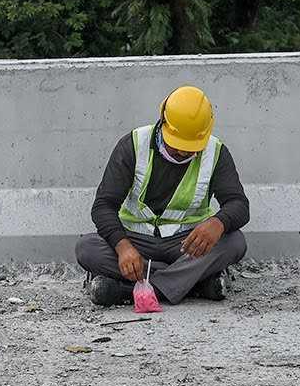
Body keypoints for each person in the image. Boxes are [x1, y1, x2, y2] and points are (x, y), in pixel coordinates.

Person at [75, 86, 250, 306]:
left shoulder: (216, 152)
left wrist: (218, 223)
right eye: (178, 146)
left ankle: (130, 291)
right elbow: (103, 206)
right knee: (87, 248)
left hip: (187, 244)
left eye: (192, 147)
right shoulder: (133, 145)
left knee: (234, 242)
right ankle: (191, 282)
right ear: (163, 122)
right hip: (137, 242)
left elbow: (239, 205)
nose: (185, 153)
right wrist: (122, 247)